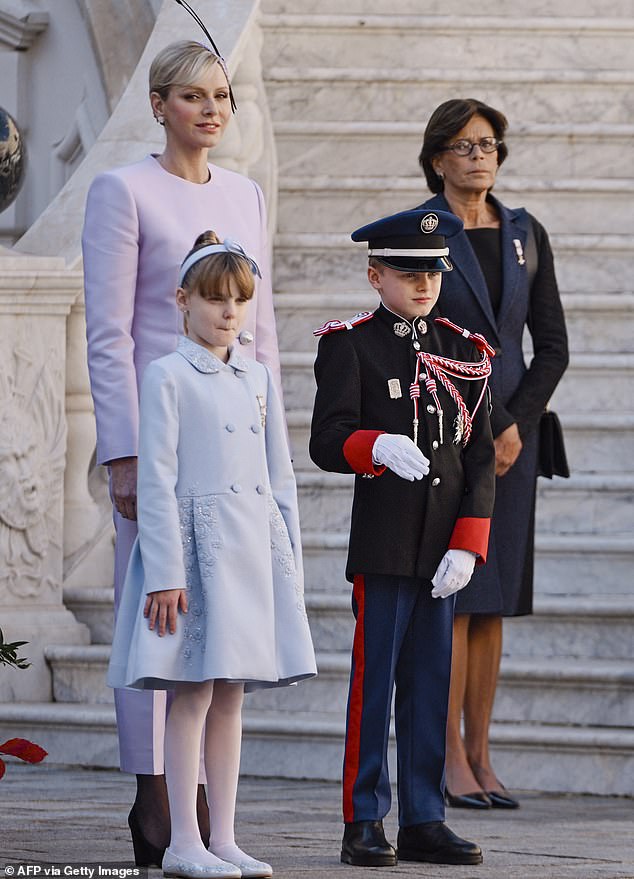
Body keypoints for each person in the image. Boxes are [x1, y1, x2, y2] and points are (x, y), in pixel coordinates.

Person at [82, 40, 282, 863]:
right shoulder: (120, 190)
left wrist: (272, 451)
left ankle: (212, 813)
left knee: (222, 623)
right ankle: (154, 791)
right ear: (159, 104)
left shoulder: (246, 194)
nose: (211, 109)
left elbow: (262, 331)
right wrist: (122, 453)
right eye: (193, 95)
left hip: (233, 444)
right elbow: (109, 333)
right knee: (155, 613)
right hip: (160, 439)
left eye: (223, 96)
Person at [107, 231, 316, 879]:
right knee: (191, 691)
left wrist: (289, 564)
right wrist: (166, 572)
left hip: (251, 548)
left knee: (232, 694)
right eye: (215, 298)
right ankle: (183, 841)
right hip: (193, 554)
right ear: (183, 301)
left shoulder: (255, 375)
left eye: (240, 300)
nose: (229, 312)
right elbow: (159, 479)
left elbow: (278, 474)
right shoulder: (167, 374)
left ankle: (224, 835)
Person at [310, 208, 496, 867]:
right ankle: (363, 817)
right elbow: (326, 441)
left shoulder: (464, 350)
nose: (422, 283)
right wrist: (375, 443)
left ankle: (424, 816)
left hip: (442, 551)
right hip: (385, 547)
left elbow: (480, 460)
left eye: (432, 271)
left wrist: (469, 543)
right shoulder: (351, 346)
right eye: (406, 271)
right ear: (374, 274)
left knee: (429, 683)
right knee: (375, 685)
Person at [418, 98, 569, 809]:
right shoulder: (420, 232)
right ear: (437, 158)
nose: (479, 155)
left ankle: (481, 753)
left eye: (489, 144)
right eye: (463, 144)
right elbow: (428, 334)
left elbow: (553, 343)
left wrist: (520, 422)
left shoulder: (523, 231)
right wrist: (494, 419)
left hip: (517, 446)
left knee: (494, 604)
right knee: (456, 597)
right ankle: (447, 756)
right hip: (452, 433)